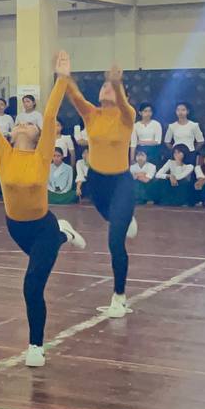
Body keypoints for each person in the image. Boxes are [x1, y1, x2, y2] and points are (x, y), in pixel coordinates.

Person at [0, 50, 85, 370]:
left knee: (32, 285)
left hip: (41, 226)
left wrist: (62, 79)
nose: (22, 124)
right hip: (15, 228)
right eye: (18, 122)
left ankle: (35, 345)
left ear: (38, 134)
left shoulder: (42, 155)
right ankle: (64, 233)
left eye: (28, 123)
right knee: (40, 263)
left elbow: (50, 113)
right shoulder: (2, 153)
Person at [64, 65, 137, 319]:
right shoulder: (91, 114)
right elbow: (74, 96)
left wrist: (116, 82)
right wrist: (65, 76)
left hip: (121, 183)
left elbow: (124, 104)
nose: (106, 88)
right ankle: (124, 220)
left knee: (115, 241)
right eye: (104, 85)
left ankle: (119, 296)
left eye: (112, 87)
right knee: (112, 218)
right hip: (96, 181)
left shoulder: (127, 115)